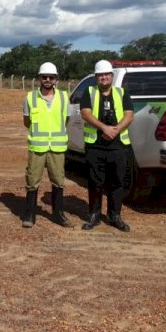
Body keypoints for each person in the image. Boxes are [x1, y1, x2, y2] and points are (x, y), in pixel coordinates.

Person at [80, 60, 134, 232]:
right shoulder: (89, 92)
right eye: (100, 75)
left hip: (117, 145)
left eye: (106, 74)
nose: (103, 77)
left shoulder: (122, 92)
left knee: (117, 181)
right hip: (95, 145)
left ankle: (114, 215)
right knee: (95, 182)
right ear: (96, 77)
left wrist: (115, 130)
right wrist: (104, 128)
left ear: (112, 76)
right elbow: (85, 113)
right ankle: (94, 214)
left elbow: (129, 115)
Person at [21, 62, 73, 228]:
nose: (48, 80)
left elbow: (67, 120)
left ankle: (58, 214)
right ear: (39, 79)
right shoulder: (30, 98)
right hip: (37, 147)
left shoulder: (65, 97)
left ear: (56, 79)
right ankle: (29, 214)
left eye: (51, 77)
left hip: (57, 147)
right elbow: (26, 121)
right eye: (44, 77)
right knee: (32, 180)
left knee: (58, 180)